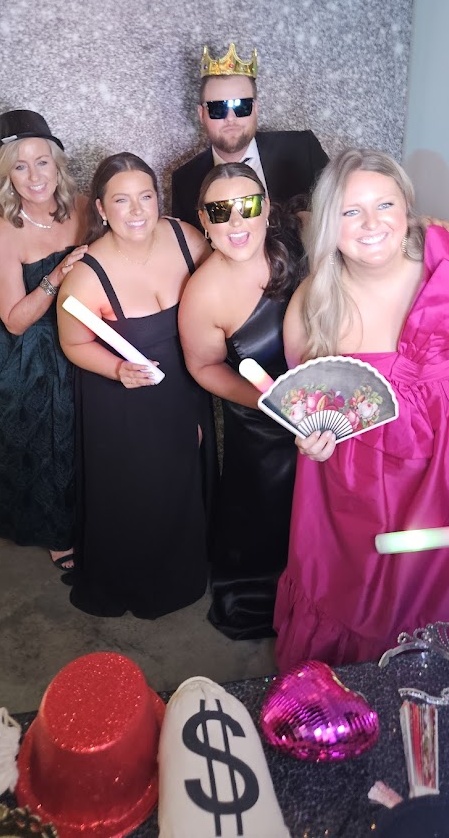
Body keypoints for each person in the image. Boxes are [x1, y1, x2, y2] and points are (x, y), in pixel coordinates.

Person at [275, 148, 449, 670]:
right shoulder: (314, 304)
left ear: (406, 206)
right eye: (351, 210)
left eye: (384, 204)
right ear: (328, 223)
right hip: (356, 494)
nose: (371, 224)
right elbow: (308, 406)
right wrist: (312, 442)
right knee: (361, 611)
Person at [56, 152, 216, 618]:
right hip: (122, 399)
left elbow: (222, 287)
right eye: (122, 200)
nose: (137, 210)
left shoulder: (187, 238)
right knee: (138, 492)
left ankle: (181, 572)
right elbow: (73, 343)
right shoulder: (85, 274)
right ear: (101, 209)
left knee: (182, 480)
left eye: (146, 196)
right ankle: (133, 580)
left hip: (185, 386)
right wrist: (116, 370)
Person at [178, 161, 305, 639]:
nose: (236, 221)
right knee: (267, 524)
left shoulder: (297, 245)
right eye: (220, 211)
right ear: (204, 220)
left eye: (248, 205)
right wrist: (264, 403)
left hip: (330, 414)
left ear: (266, 208)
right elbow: (203, 367)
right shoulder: (202, 294)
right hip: (262, 429)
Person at [0, 109, 88, 570]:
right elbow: (15, 322)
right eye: (20, 167)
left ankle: (94, 521)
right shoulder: (2, 229)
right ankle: (55, 534)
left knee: (88, 436)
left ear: (57, 163)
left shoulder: (85, 206)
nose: (34, 176)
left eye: (41, 162)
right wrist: (57, 274)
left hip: (84, 335)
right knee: (46, 441)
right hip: (30, 352)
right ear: (7, 175)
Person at [171, 43, 328, 230]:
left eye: (241, 106)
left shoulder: (302, 149)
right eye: (217, 108)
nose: (231, 118)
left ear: (255, 108)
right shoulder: (184, 181)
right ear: (201, 114)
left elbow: (341, 209)